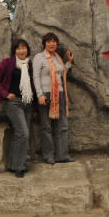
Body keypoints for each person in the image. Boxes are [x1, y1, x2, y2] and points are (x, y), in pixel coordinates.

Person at [0, 39, 36, 178]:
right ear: (14, 51)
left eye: (24, 48)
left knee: (19, 134)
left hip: (27, 102)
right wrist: (4, 93)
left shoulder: (29, 64)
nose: (21, 51)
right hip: (14, 102)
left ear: (27, 50)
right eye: (18, 48)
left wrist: (34, 107)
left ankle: (13, 165)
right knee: (23, 133)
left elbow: (32, 84)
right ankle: (20, 167)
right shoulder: (8, 63)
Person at [33, 32, 74, 164]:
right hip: (46, 94)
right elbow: (36, 77)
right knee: (46, 126)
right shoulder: (39, 57)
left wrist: (68, 63)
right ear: (44, 43)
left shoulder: (58, 58)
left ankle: (62, 155)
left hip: (60, 94)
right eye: (49, 41)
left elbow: (60, 74)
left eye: (54, 41)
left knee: (62, 126)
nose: (52, 44)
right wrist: (39, 95)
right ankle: (48, 156)